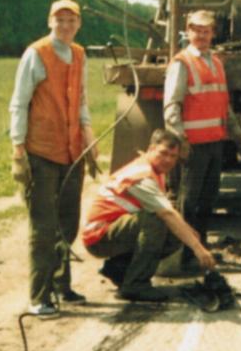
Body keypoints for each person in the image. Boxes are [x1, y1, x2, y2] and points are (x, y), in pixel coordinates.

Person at [8, 0, 99, 317]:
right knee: (44, 228)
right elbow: (19, 103)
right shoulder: (36, 54)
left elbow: (82, 100)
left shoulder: (79, 54)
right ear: (50, 23)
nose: (65, 25)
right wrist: (18, 148)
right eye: (60, 20)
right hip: (41, 152)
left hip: (72, 152)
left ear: (78, 25)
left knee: (68, 223)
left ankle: (62, 285)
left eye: (71, 21)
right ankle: (39, 297)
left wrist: (88, 136)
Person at [162, 9, 241, 272]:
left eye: (206, 30)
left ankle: (201, 251)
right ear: (188, 31)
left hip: (215, 144)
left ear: (213, 33)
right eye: (196, 30)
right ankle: (186, 256)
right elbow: (171, 106)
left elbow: (224, 105)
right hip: (193, 146)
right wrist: (180, 142)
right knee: (188, 202)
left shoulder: (216, 62)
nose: (201, 35)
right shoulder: (181, 63)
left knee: (207, 201)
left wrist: (239, 138)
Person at [82, 129, 217, 301]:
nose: (168, 160)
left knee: (179, 234)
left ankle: (119, 270)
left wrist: (191, 235)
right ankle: (136, 285)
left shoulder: (155, 171)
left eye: (173, 156)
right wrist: (199, 249)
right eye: (163, 153)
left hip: (113, 229)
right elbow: (166, 213)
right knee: (156, 221)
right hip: (98, 236)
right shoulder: (142, 176)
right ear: (151, 149)